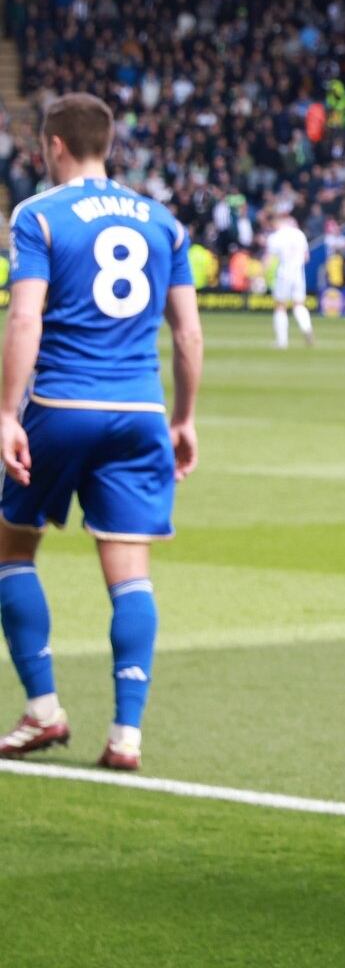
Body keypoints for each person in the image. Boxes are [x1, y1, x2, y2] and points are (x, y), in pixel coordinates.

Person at [0, 93, 204, 773]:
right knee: (130, 577)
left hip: (60, 403)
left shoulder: (38, 215)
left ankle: (44, 710)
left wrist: (6, 414)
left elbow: (24, 320)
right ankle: (127, 735)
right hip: (140, 411)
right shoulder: (163, 222)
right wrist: (184, 417)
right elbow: (189, 333)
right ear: (106, 144)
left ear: (54, 145)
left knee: (11, 550)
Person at [264, 206, 315, 349]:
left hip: (284, 273)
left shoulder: (275, 237)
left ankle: (282, 341)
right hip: (298, 273)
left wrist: (261, 275)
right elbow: (306, 258)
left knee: (280, 307)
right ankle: (306, 328)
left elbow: (269, 259)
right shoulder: (299, 234)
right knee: (299, 304)